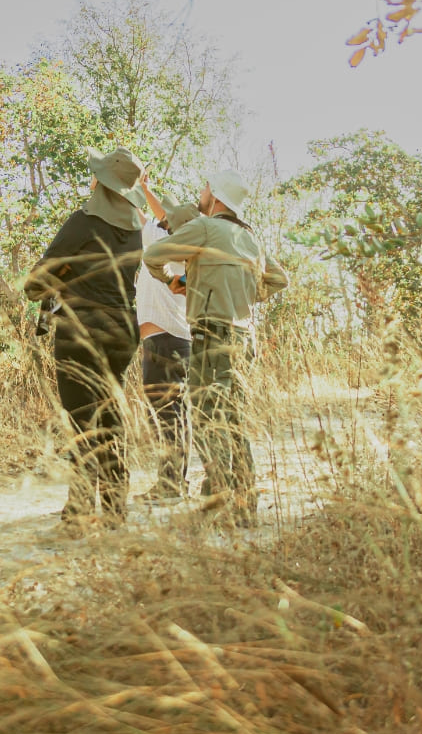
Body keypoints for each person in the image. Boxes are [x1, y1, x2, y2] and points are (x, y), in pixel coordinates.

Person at [142, 170, 288, 527]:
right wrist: (248, 293)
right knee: (233, 420)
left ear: (217, 196)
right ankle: (243, 504)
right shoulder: (250, 237)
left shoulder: (206, 228)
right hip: (244, 339)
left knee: (209, 420)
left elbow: (154, 255)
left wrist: (175, 282)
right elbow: (279, 279)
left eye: (206, 187)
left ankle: (222, 502)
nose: (202, 191)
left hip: (212, 334)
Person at [24, 146, 146, 530]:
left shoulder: (83, 221)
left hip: (83, 328)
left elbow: (35, 283)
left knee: (81, 421)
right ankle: (114, 509)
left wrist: (57, 284)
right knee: (111, 417)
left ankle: (78, 512)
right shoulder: (135, 228)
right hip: (125, 328)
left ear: (101, 183)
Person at [135, 191, 201, 500]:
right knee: (176, 412)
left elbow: (150, 217)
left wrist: (143, 189)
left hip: (163, 339)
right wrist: (146, 192)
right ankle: (175, 481)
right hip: (178, 338)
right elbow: (155, 217)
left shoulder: (159, 242)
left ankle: (171, 484)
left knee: (166, 414)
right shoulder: (189, 254)